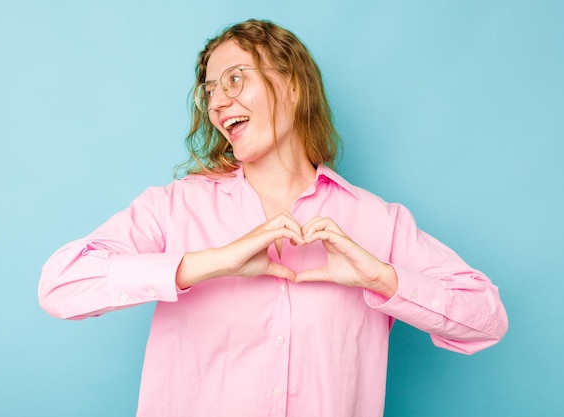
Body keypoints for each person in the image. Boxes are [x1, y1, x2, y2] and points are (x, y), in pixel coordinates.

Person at [39, 18, 508, 417]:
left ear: (293, 85)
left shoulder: (376, 222)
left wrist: (383, 279)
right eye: (209, 90)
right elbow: (61, 285)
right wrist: (212, 262)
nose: (217, 102)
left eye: (235, 79)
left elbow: (487, 319)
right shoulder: (174, 208)